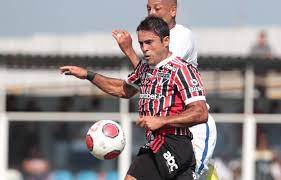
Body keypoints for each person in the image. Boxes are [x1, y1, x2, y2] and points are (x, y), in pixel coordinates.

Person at [60, 16, 209, 180]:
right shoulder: (145, 69)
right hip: (166, 146)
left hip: (172, 142)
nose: (144, 48)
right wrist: (88, 75)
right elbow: (122, 89)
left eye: (149, 42)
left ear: (165, 41)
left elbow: (200, 112)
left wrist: (162, 121)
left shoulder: (182, 70)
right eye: (141, 43)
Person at [112, 0, 217, 178]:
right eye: (148, 8)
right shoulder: (153, 41)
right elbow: (139, 81)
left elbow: (155, 74)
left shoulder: (182, 36)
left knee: (196, 175)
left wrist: (130, 51)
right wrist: (88, 75)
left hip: (195, 128)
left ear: (173, 10)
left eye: (157, 8)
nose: (151, 12)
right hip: (168, 134)